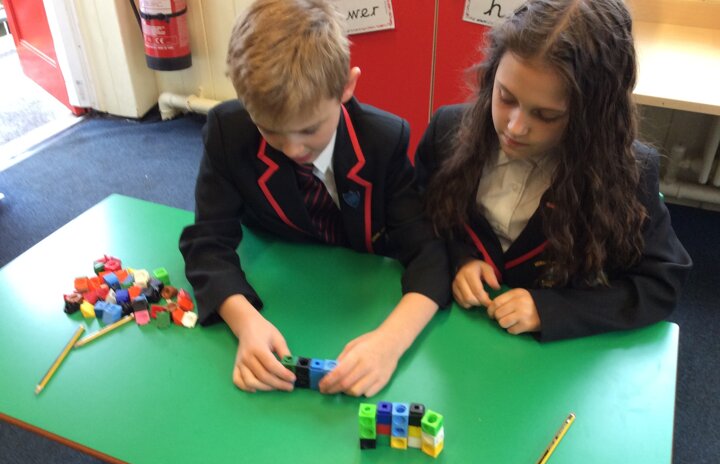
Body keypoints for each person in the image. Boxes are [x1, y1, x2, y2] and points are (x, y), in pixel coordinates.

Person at [179, 0, 450, 395]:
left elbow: (429, 255)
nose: (292, 149)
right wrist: (245, 321)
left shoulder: (383, 141)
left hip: (362, 291)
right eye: (271, 130)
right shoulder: (229, 131)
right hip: (285, 276)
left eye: (309, 130)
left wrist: (391, 342)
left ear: (346, 88)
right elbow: (206, 242)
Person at [418, 0, 691, 341]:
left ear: (591, 117)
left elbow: (660, 283)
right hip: (454, 333)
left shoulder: (628, 173)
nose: (515, 127)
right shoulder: (447, 130)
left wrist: (554, 309)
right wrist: (459, 259)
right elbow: (416, 216)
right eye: (505, 97)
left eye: (546, 115)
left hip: (554, 356)